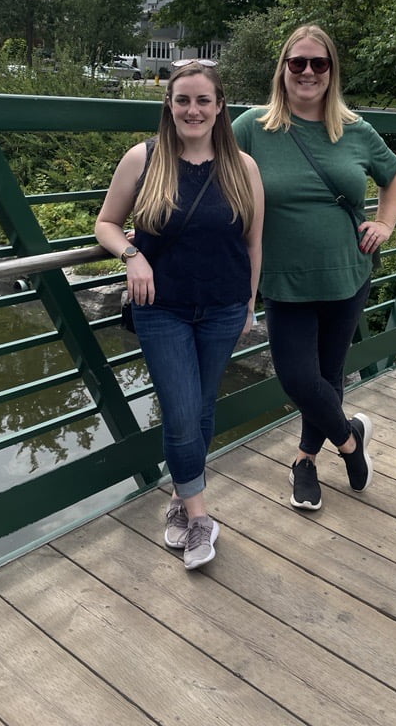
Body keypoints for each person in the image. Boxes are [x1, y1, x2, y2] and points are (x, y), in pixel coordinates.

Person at [95, 60, 264, 568]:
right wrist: (132, 255)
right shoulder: (143, 159)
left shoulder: (243, 168)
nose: (193, 109)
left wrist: (250, 304)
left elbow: (254, 243)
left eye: (203, 101)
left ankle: (176, 496)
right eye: (182, 100)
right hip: (161, 308)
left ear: (219, 107)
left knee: (203, 407)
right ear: (168, 105)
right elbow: (106, 222)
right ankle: (201, 515)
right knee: (183, 410)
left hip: (223, 307)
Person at [232, 25, 396, 511]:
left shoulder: (355, 130)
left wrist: (386, 224)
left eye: (319, 63)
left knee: (328, 377)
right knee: (297, 378)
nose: (307, 72)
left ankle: (305, 461)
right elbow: (208, 170)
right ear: (282, 69)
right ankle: (350, 442)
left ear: (331, 72)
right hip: (283, 279)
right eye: (297, 62)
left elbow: (395, 177)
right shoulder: (251, 127)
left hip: (347, 273)